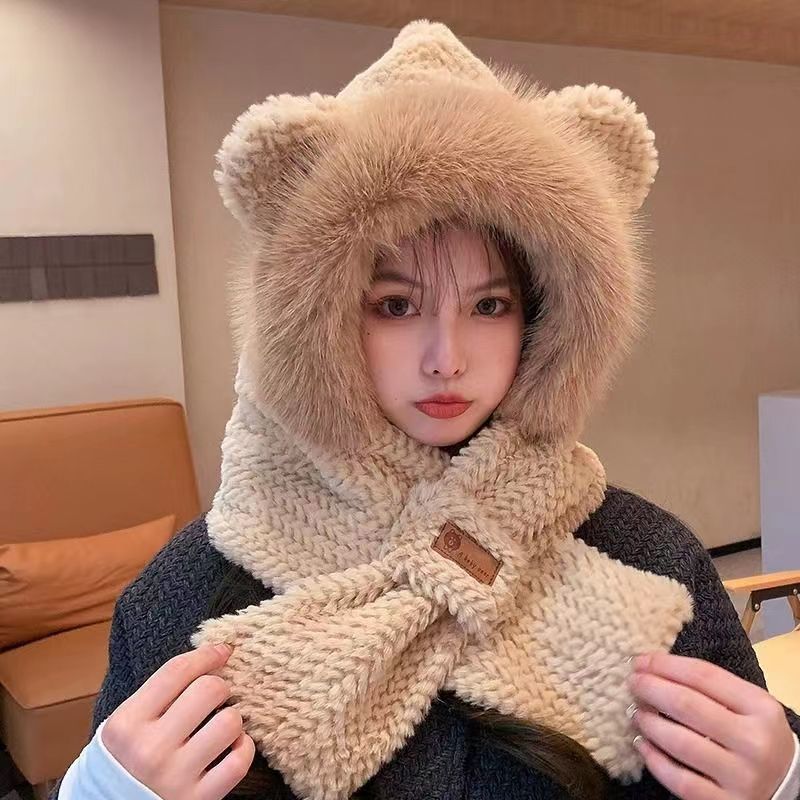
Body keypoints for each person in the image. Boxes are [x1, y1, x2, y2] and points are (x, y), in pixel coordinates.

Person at [52, 19, 800, 800]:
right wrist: (101, 792)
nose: (447, 357)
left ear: (544, 317)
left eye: (489, 305)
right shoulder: (185, 592)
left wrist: (784, 782)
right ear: (321, 319)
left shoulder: (650, 556)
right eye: (396, 305)